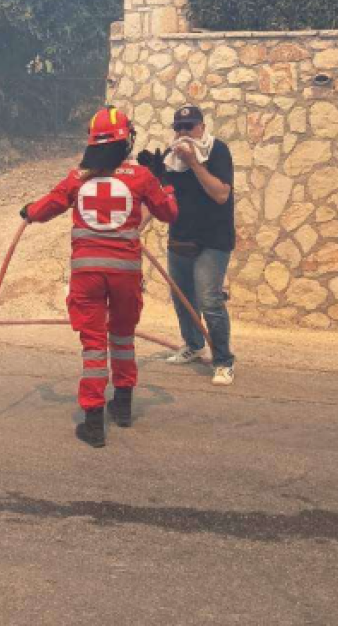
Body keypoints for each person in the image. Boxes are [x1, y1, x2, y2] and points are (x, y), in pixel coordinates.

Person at [20, 107, 178, 448]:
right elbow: (168, 212)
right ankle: (122, 406)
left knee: (94, 345)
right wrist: (163, 179)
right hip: (125, 275)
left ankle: (93, 424)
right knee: (122, 337)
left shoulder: (78, 178)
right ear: (126, 141)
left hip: (87, 275)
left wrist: (28, 211)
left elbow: (48, 206)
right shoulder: (140, 177)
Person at [154, 105, 237, 386]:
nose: (183, 133)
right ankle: (193, 344)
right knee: (183, 298)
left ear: (202, 127)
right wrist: (133, 229)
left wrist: (193, 163)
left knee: (209, 301)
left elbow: (221, 194)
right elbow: (157, 198)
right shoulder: (170, 159)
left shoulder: (217, 151)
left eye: (189, 127)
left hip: (213, 239)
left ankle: (223, 361)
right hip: (180, 236)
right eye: (178, 128)